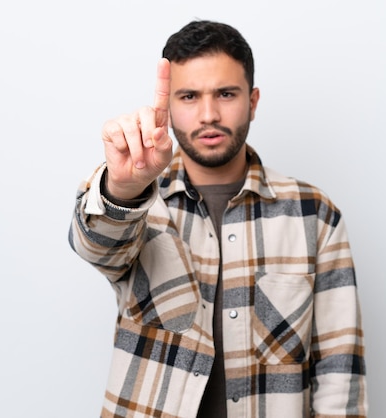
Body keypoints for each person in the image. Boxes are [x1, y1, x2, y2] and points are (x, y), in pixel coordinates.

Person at [69, 20, 367, 418]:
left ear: (253, 101)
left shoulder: (314, 214)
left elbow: (339, 374)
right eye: (189, 96)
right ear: (168, 107)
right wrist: (124, 189)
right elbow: (96, 246)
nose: (208, 114)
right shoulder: (141, 204)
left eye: (225, 94)